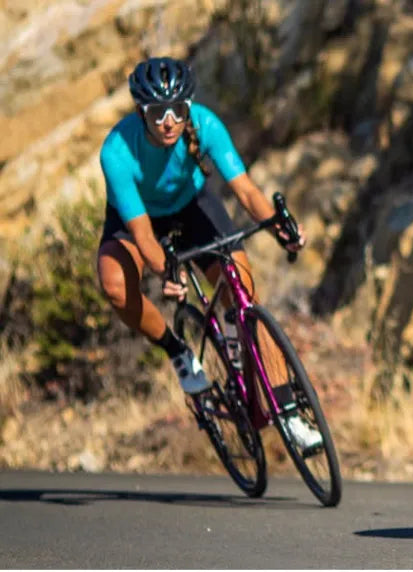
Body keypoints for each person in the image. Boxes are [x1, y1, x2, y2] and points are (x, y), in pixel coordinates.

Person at [96, 56, 320, 448]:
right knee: (114, 284)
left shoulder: (205, 124)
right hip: (140, 219)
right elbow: (144, 236)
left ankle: (287, 412)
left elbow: (247, 192)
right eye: (157, 112)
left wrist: (281, 228)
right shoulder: (116, 151)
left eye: (177, 111)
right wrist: (169, 272)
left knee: (246, 296)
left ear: (188, 108)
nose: (168, 121)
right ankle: (178, 351)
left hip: (192, 206)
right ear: (139, 112)